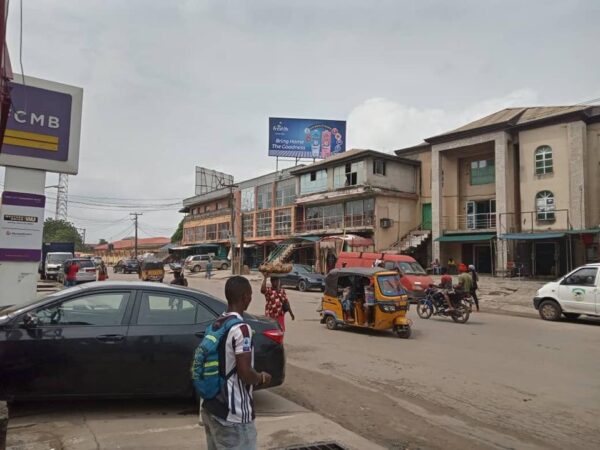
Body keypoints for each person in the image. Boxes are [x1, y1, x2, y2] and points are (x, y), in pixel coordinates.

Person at [201, 276, 271, 450]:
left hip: (211, 407)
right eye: (250, 295)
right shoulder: (242, 328)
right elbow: (245, 372)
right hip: (233, 416)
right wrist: (261, 377)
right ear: (245, 297)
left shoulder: (218, 323)